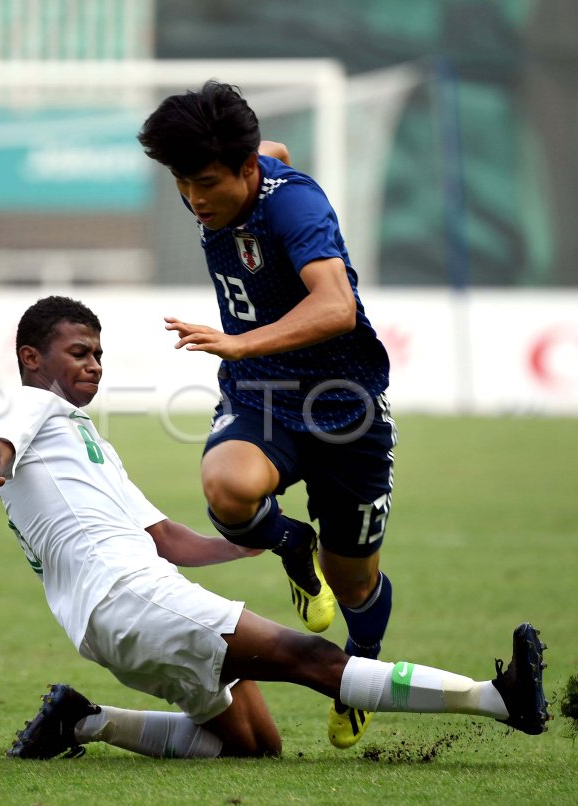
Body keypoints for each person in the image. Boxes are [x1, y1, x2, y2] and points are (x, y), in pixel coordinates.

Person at [0, 296, 547, 760]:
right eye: (80, 352)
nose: (94, 364)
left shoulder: (86, 442)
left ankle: (82, 721)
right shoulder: (27, 405)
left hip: (104, 619)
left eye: (99, 355)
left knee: (256, 745)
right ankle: (498, 699)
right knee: (312, 657)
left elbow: (166, 539)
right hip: (129, 597)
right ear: (32, 358)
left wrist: (259, 538)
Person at [138, 81, 397, 748]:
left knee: (357, 582)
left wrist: (238, 340)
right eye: (183, 183)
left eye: (207, 183)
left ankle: (360, 667)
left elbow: (336, 304)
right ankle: (291, 545)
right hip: (260, 396)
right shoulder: (241, 174)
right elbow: (272, 148)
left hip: (345, 408)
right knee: (226, 487)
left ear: (245, 171)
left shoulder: (296, 206)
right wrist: (244, 359)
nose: (196, 199)